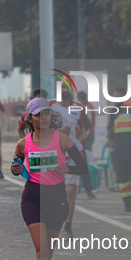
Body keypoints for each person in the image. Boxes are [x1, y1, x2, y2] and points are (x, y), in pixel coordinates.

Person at [11, 98, 87, 260]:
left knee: (49, 252)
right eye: (38, 114)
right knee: (42, 250)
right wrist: (15, 168)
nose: (43, 117)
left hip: (56, 198)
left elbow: (82, 167)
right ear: (30, 118)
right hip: (33, 197)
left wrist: (67, 167)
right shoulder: (22, 144)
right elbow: (17, 168)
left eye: (46, 113)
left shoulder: (62, 140)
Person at [49, 84, 92, 238]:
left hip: (74, 151)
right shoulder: (50, 105)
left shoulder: (79, 108)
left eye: (67, 88)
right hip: (55, 152)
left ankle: (68, 224)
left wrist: (84, 135)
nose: (65, 91)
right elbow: (42, 127)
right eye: (62, 89)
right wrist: (59, 131)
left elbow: (82, 126)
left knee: (70, 189)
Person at [107, 100, 131, 212]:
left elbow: (112, 135)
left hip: (119, 154)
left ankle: (127, 204)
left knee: (123, 180)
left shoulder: (117, 120)